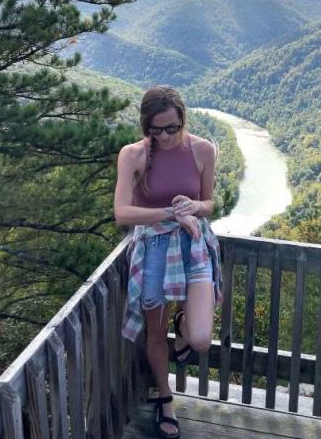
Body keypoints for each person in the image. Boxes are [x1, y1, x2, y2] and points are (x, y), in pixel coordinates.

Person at [115, 85, 222, 439]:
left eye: (171, 128)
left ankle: (184, 323)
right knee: (155, 333)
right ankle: (164, 397)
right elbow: (122, 214)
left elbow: (209, 203)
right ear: (146, 126)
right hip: (154, 248)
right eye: (155, 129)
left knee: (202, 338)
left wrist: (194, 208)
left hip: (193, 245)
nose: (163, 136)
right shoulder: (133, 155)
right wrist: (172, 213)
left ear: (183, 120)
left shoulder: (203, 150)